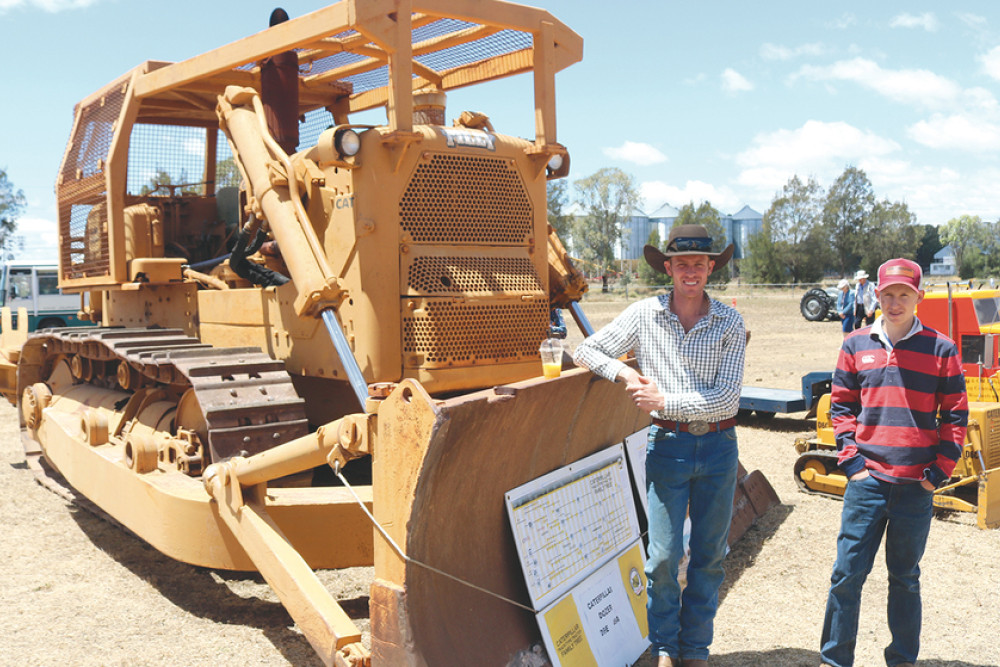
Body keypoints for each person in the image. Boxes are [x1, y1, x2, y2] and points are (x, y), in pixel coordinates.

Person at [573, 225, 745, 667]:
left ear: (712, 269)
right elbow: (586, 350)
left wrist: (664, 400)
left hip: (719, 444)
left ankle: (696, 650)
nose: (691, 272)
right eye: (682, 264)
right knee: (664, 556)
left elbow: (727, 398)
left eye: (700, 264)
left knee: (709, 557)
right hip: (667, 443)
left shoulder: (729, 321)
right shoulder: (643, 314)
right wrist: (627, 375)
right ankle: (665, 646)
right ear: (668, 268)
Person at [819, 258, 967, 667]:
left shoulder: (941, 348)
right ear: (877, 295)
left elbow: (956, 414)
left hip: (914, 485)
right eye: (888, 294)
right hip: (867, 484)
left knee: (904, 580)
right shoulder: (855, 343)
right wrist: (854, 466)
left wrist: (936, 474)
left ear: (918, 297)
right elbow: (842, 407)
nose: (896, 302)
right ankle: (834, 660)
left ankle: (902, 661)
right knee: (846, 576)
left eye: (905, 294)